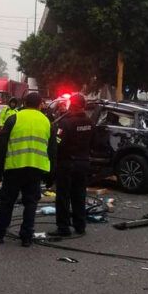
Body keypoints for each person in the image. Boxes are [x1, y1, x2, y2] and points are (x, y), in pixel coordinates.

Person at [0, 93, 56, 247]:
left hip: (14, 167)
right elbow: (53, 151)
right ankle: (26, 236)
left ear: (24, 102)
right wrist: (51, 175)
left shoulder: (14, 119)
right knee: (31, 203)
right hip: (36, 169)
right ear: (41, 104)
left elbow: (1, 145)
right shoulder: (47, 122)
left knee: (7, 201)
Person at [48, 94, 94, 237]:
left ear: (71, 105)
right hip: (83, 163)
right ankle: (80, 225)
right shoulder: (90, 122)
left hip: (67, 163)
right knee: (79, 195)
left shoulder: (65, 123)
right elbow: (93, 142)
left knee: (63, 196)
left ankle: (63, 227)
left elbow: (58, 143)